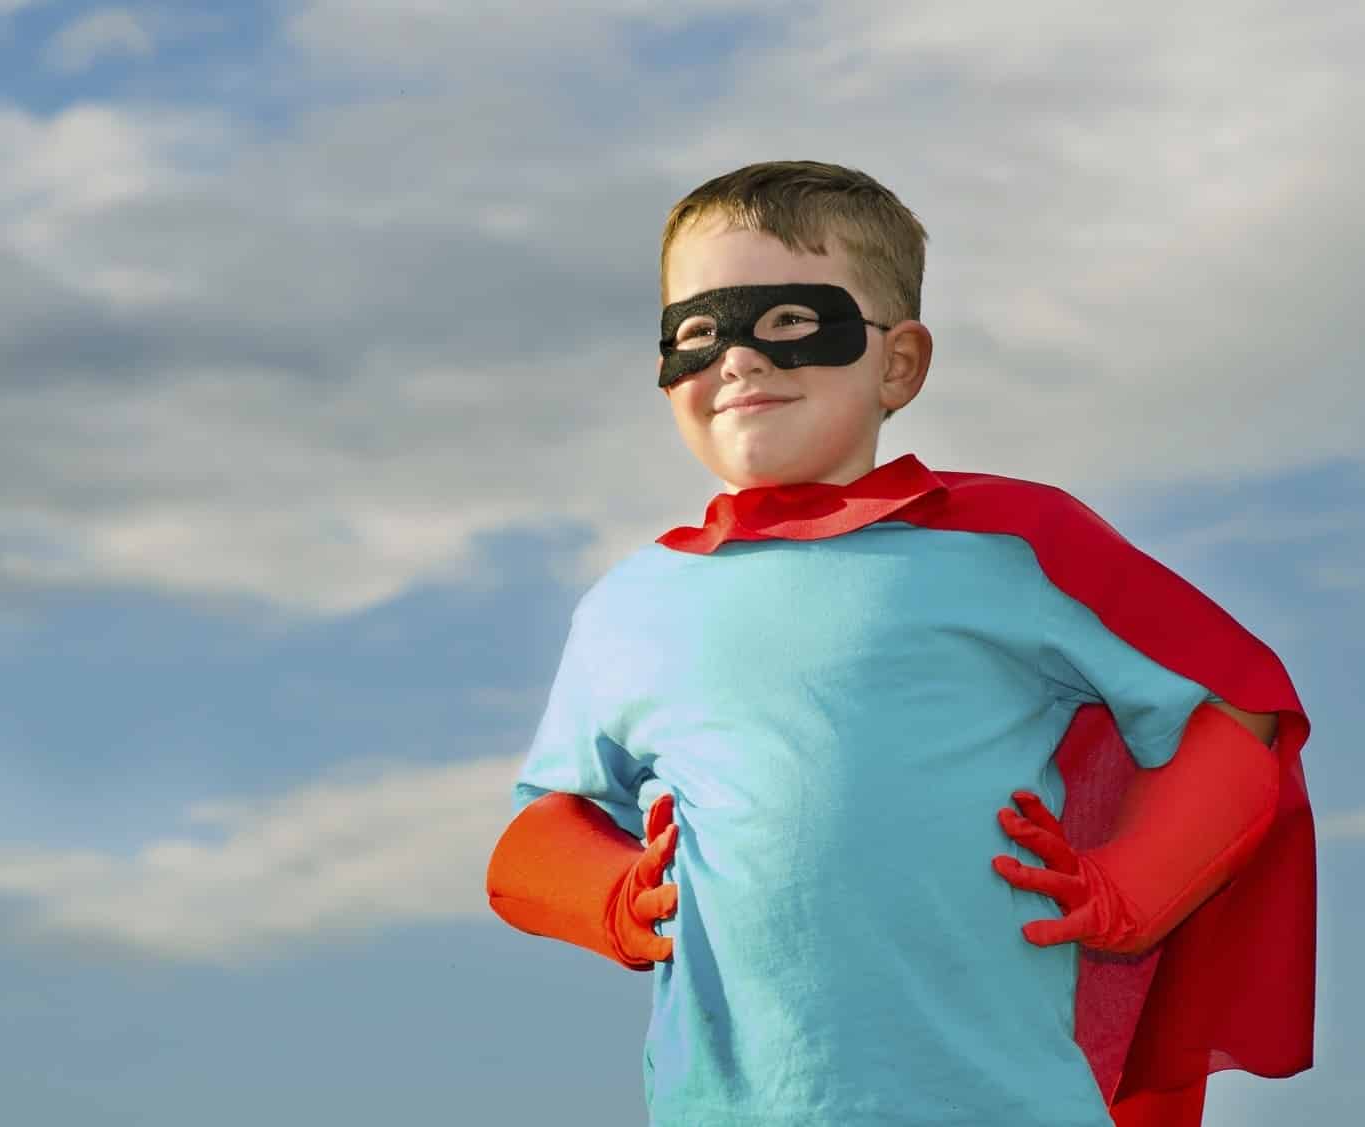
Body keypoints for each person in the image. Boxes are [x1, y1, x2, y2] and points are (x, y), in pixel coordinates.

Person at [484, 160, 1315, 1126]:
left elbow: (1235, 702)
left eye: (791, 321)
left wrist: (1135, 883)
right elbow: (537, 826)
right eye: (698, 334)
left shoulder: (1013, 543)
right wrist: (611, 894)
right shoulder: (626, 608)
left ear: (900, 363)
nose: (740, 361)